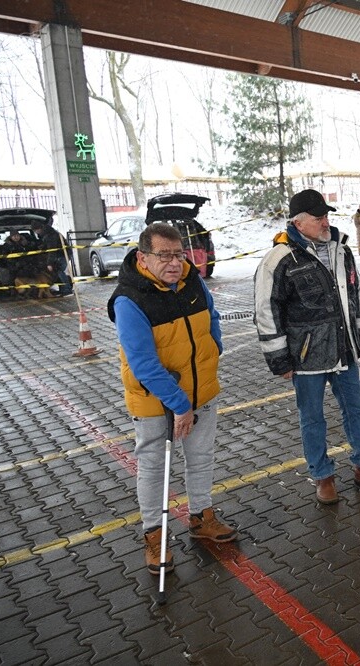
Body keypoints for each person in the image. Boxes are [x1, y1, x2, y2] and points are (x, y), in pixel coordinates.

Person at [108, 223, 236, 575]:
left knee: (201, 457)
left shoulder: (192, 281)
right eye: (164, 255)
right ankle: (155, 536)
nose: (174, 263)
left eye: (178, 254)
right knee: (153, 468)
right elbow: (143, 363)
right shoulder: (129, 300)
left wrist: (215, 345)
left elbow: (212, 316)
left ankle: (201, 516)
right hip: (156, 402)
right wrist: (180, 405)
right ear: (143, 257)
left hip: (202, 390)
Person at [254, 189, 360, 505]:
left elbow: (355, 295)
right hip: (306, 359)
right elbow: (266, 310)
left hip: (345, 350)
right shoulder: (278, 259)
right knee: (312, 419)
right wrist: (279, 358)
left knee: (356, 410)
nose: (325, 222)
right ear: (298, 223)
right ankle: (322, 476)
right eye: (318, 218)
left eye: (327, 216)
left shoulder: (341, 251)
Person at [31, 219, 74, 295]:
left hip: (63, 254)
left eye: (35, 231)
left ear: (38, 229)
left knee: (60, 271)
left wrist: (49, 263)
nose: (35, 233)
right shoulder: (48, 233)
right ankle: (63, 289)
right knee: (58, 271)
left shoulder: (50, 235)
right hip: (61, 254)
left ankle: (67, 289)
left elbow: (52, 250)